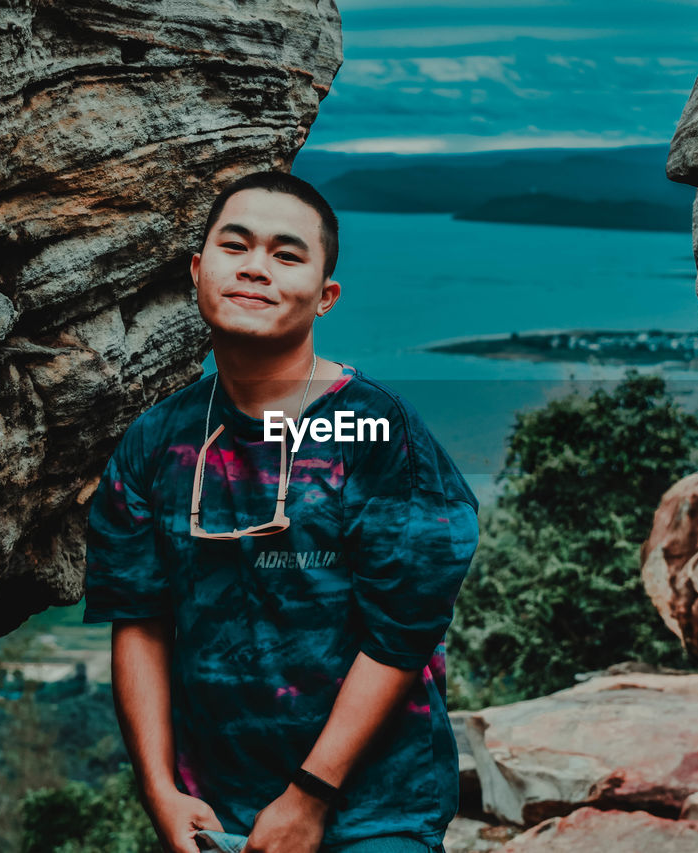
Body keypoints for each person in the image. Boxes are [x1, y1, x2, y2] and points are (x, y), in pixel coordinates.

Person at [82, 170, 481, 853]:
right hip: (215, 813)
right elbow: (140, 621)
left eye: (286, 254)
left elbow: (402, 633)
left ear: (326, 297)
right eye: (236, 246)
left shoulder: (380, 434)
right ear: (198, 268)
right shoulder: (155, 441)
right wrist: (160, 791)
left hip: (375, 812)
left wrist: (309, 795)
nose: (256, 268)